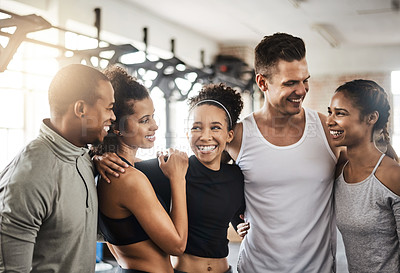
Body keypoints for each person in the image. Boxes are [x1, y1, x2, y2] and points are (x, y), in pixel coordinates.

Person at [225, 33, 343, 272]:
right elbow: (206, 179)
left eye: (305, 80)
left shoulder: (326, 130)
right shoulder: (238, 136)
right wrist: (234, 217)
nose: (301, 90)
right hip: (256, 267)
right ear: (262, 83)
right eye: (290, 83)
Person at [96, 83, 245, 273]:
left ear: (229, 134)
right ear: (187, 133)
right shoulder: (168, 169)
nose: (206, 136)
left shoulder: (236, 176)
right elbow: (125, 167)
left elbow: (238, 214)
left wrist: (244, 227)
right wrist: (98, 157)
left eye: (215, 127)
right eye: (197, 128)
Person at [0, 64, 116, 272]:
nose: (113, 116)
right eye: (108, 107)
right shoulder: (27, 179)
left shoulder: (83, 156)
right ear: (81, 109)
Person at [95, 65, 189, 273]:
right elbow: (177, 245)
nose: (154, 126)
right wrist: (178, 178)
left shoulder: (111, 166)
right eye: (144, 120)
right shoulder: (127, 178)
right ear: (116, 126)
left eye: (153, 116)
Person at [327, 79, 400, 272]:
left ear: (371, 118)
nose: (329, 121)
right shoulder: (339, 171)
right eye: (330, 112)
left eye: (340, 113)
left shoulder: (393, 176)